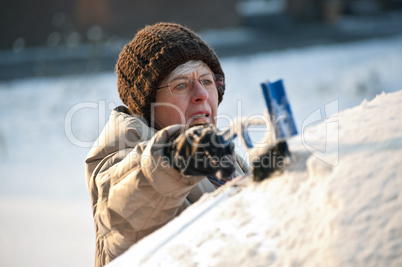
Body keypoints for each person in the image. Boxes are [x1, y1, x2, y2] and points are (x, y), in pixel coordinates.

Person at [85, 22, 251, 267]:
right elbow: (122, 214)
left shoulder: (227, 158)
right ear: (148, 106)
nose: (201, 94)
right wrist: (175, 157)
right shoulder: (120, 159)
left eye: (206, 81)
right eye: (181, 85)